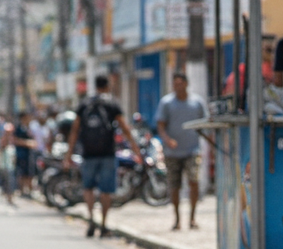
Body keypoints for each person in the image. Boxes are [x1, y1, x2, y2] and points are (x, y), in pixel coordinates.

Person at [65, 76, 142, 238]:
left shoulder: (84, 104)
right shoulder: (112, 104)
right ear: (108, 86)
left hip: (88, 153)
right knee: (106, 190)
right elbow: (125, 128)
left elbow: (74, 130)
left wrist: (69, 154)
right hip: (107, 153)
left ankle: (91, 218)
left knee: (88, 188)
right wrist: (136, 150)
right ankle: (104, 223)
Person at [156, 72, 208, 231]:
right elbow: (160, 125)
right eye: (175, 84)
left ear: (186, 84)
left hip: (192, 150)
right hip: (172, 153)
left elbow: (205, 122)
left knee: (194, 182)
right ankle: (177, 219)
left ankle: (192, 218)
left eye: (180, 83)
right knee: (174, 186)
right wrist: (167, 140)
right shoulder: (166, 102)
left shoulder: (197, 102)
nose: (177, 87)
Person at [12, 112, 37, 197]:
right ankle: (21, 190)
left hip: (29, 154)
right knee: (21, 173)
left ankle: (29, 190)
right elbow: (15, 140)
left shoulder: (28, 128)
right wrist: (27, 143)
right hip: (21, 154)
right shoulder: (18, 128)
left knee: (29, 172)